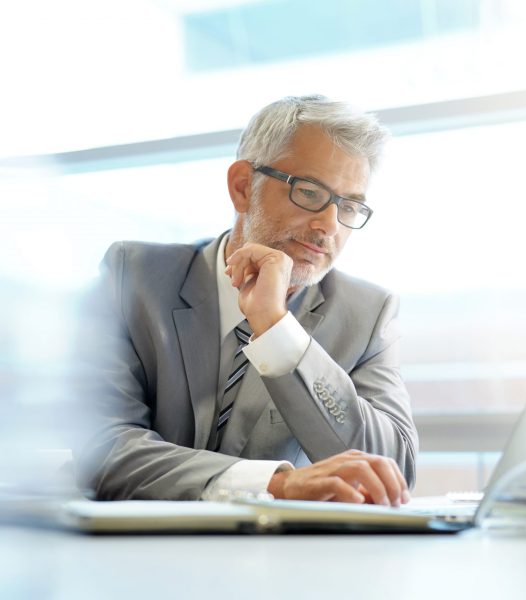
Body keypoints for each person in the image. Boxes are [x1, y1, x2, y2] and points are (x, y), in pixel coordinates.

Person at [75, 95, 418, 507]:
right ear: (242, 187)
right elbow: (100, 444)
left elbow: (390, 469)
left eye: (349, 206)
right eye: (309, 192)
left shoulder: (366, 313)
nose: (328, 225)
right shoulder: (133, 276)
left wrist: (278, 332)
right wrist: (274, 484)